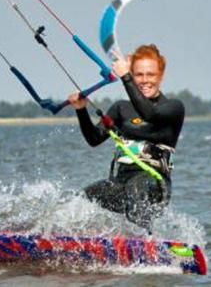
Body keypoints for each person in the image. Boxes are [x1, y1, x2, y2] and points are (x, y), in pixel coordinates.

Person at [67, 44, 185, 232]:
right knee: (83, 198)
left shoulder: (173, 107)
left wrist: (125, 77)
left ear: (160, 76)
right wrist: (81, 109)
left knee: (136, 191)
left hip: (154, 184)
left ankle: (146, 242)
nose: (145, 80)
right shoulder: (121, 109)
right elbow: (94, 139)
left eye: (151, 74)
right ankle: (75, 241)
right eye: (139, 75)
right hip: (121, 183)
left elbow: (149, 114)